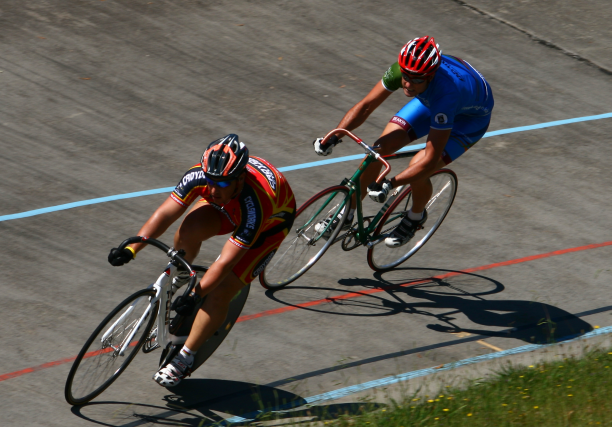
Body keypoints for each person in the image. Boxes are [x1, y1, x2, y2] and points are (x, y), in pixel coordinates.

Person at [107, 134, 296, 387]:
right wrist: (132, 247)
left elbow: (225, 262)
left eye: (223, 183)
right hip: (231, 206)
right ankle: (183, 274)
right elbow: (165, 213)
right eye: (211, 182)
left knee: (220, 290)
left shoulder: (256, 205)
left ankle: (185, 358)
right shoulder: (200, 176)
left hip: (268, 226)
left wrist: (197, 294)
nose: (214, 190)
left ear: (240, 178)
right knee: (188, 229)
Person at [313, 36, 494, 247]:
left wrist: (389, 184)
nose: (408, 84)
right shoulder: (405, 69)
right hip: (433, 98)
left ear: (430, 76)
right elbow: (365, 106)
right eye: (406, 76)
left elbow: (429, 159)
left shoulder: (446, 95)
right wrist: (334, 136)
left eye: (416, 79)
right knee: (378, 150)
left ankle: (415, 217)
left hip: (469, 119)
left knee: (418, 167)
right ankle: (347, 213)